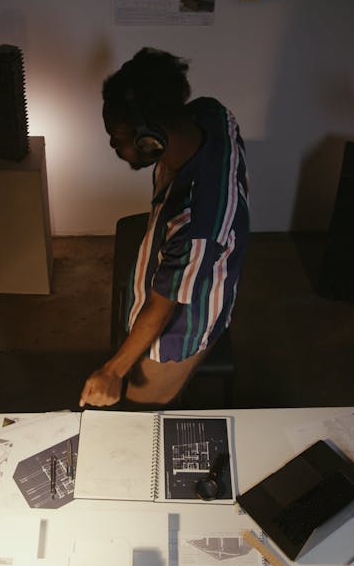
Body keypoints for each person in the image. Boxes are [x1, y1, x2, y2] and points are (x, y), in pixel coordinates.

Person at [79, 47, 249, 408]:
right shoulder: (212, 114)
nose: (112, 143)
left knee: (140, 409)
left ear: (149, 139)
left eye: (117, 136)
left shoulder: (197, 224)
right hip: (188, 262)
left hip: (178, 329)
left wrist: (112, 371)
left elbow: (162, 307)